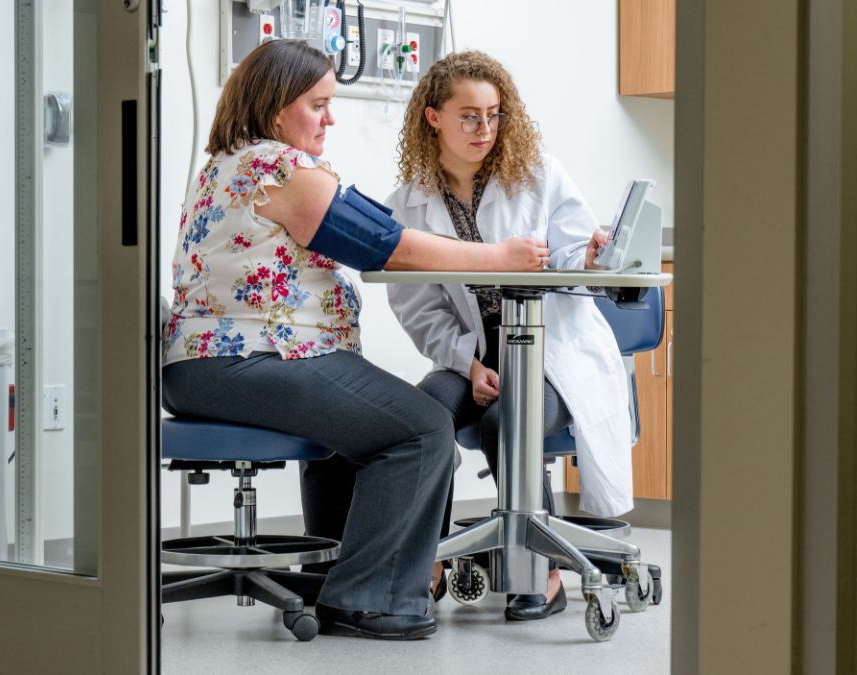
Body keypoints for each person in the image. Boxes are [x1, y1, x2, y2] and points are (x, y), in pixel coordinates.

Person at [161, 40, 548, 640]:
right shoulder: (280, 168)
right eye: (317, 104)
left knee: (364, 425)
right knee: (421, 427)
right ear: (274, 105)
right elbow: (385, 246)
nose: (330, 117)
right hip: (250, 361)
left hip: (212, 365)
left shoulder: (227, 165)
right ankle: (367, 598)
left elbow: (372, 233)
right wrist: (496, 256)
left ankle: (342, 573)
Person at [386, 50, 634, 621]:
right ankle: (428, 562)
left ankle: (539, 570)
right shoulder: (408, 204)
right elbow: (420, 311)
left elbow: (573, 254)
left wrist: (590, 254)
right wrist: (467, 365)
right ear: (433, 118)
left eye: (494, 115)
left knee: (507, 421)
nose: (484, 129)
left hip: (549, 355)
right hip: (469, 358)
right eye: (468, 116)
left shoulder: (539, 174)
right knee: (422, 414)